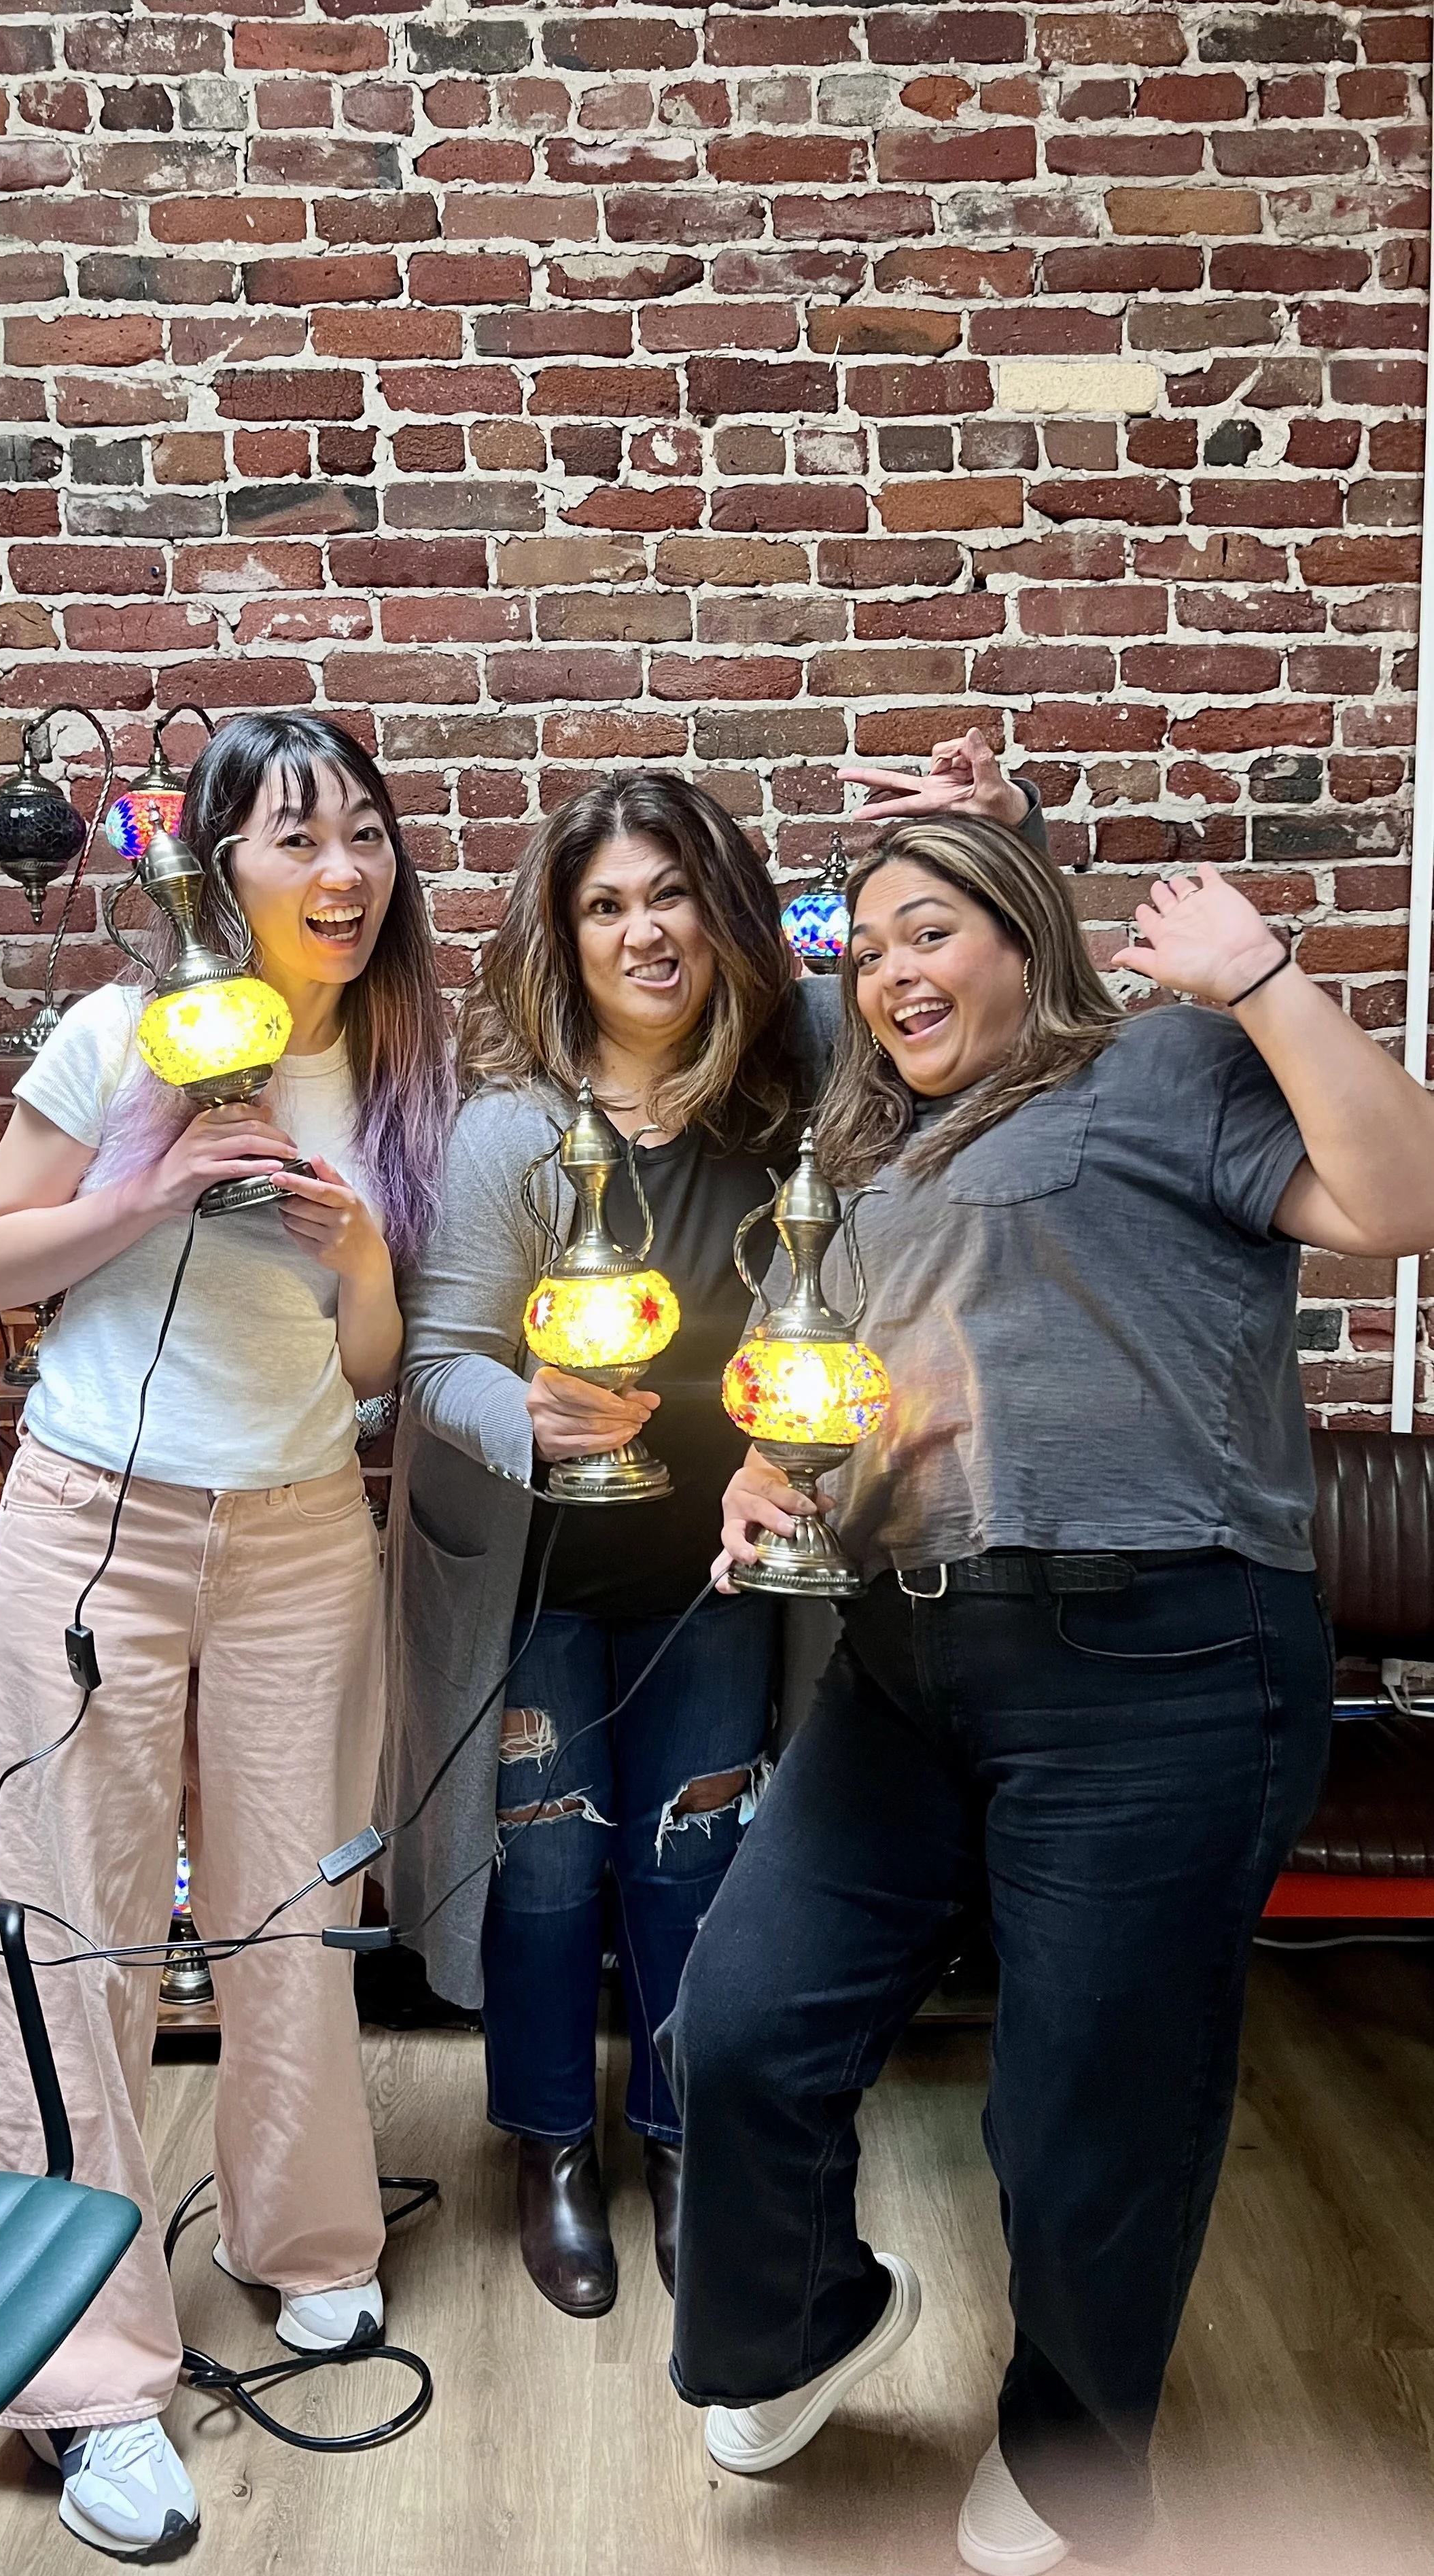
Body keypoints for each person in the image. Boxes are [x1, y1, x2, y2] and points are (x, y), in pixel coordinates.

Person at [661, 818, 1434, 2574]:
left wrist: (1260, 982)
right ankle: (795, 2320)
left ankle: (1079, 2459)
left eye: (930, 928)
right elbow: (873, 1397)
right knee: (742, 2032)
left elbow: (1402, 1204)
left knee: (1083, 2106)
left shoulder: (1160, 1066)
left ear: (1026, 941)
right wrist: (775, 1474)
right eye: (865, 948)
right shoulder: (877, 1165)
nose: (891, 971)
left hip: (1155, 1661)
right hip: (905, 1655)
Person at [382, 750, 1045, 2322]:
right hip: (541, 1578)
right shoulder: (511, 1136)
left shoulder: (809, 1072)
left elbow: (992, 1004)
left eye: (673, 891)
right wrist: (520, 1416)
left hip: (731, 1573)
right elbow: (432, 1364)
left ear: (726, 906)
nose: (645, 932)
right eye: (605, 905)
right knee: (545, 1875)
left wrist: (1000, 841)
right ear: (566, 936)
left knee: (693, 1861)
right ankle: (552, 2143)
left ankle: (683, 2144)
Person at [0, 712, 452, 2561]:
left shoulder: (401, 1054)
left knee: (289, 1909)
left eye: (368, 840)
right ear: (216, 864)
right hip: (96, 1525)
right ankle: (79, 2372)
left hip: (309, 1532)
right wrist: (143, 1192)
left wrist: (357, 1261)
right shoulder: (121, 1034)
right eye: (296, 841)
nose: (342, 876)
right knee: (66, 1939)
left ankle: (302, 2241)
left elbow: (380, 1371)